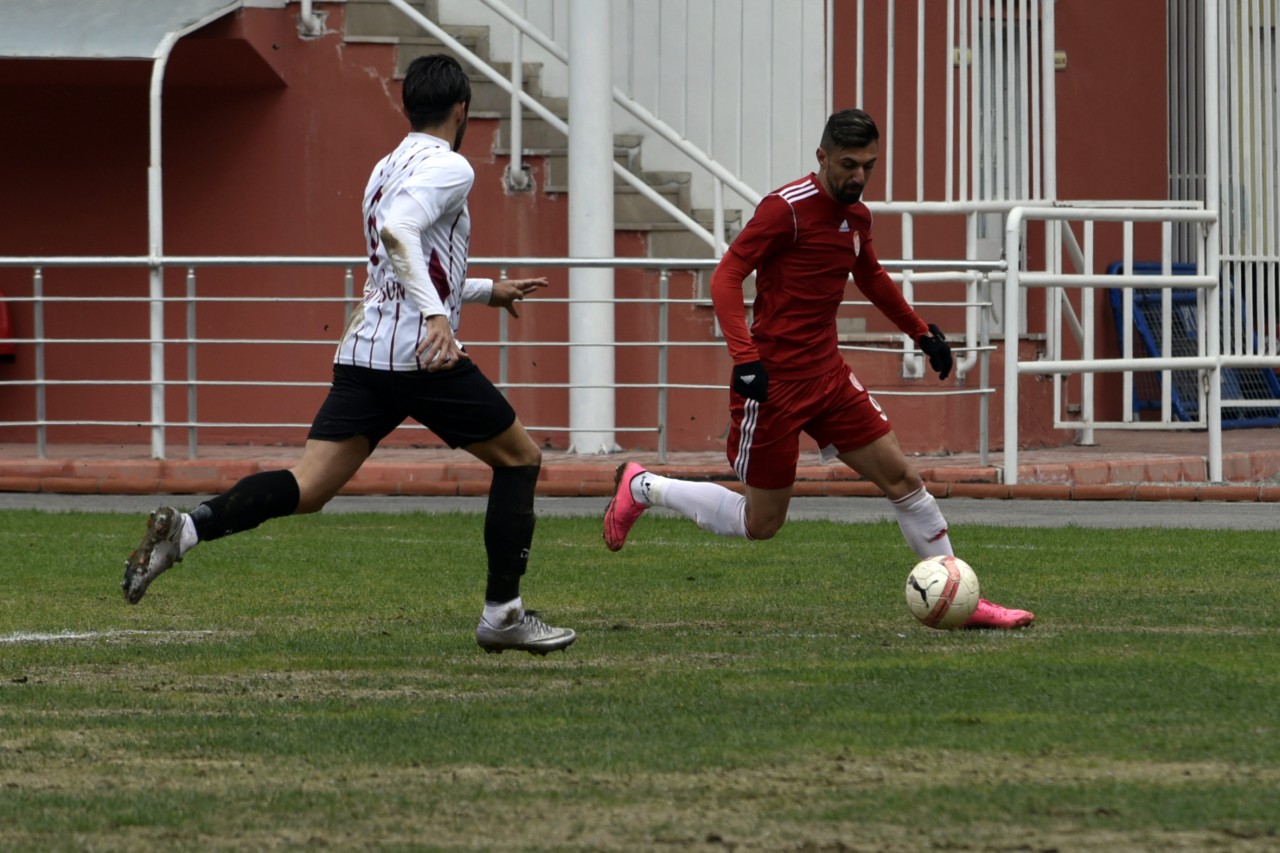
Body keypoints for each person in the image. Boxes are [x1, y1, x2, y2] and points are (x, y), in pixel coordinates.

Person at [122, 54, 576, 655]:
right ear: (461, 110)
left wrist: (483, 291)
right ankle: (504, 613)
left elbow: (393, 264)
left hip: (365, 353)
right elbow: (399, 234)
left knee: (308, 487)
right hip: (421, 357)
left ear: (407, 106)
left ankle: (186, 531)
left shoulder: (385, 167)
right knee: (520, 460)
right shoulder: (452, 166)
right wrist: (440, 314)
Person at [604, 108, 1034, 629]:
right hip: (774, 387)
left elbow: (870, 276)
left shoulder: (858, 218)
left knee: (903, 478)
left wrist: (921, 332)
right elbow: (726, 276)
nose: (858, 177)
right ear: (822, 157)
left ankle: (963, 601)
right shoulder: (784, 209)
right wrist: (744, 358)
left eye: (869, 167)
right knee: (761, 523)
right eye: (849, 164)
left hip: (828, 378)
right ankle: (643, 486)